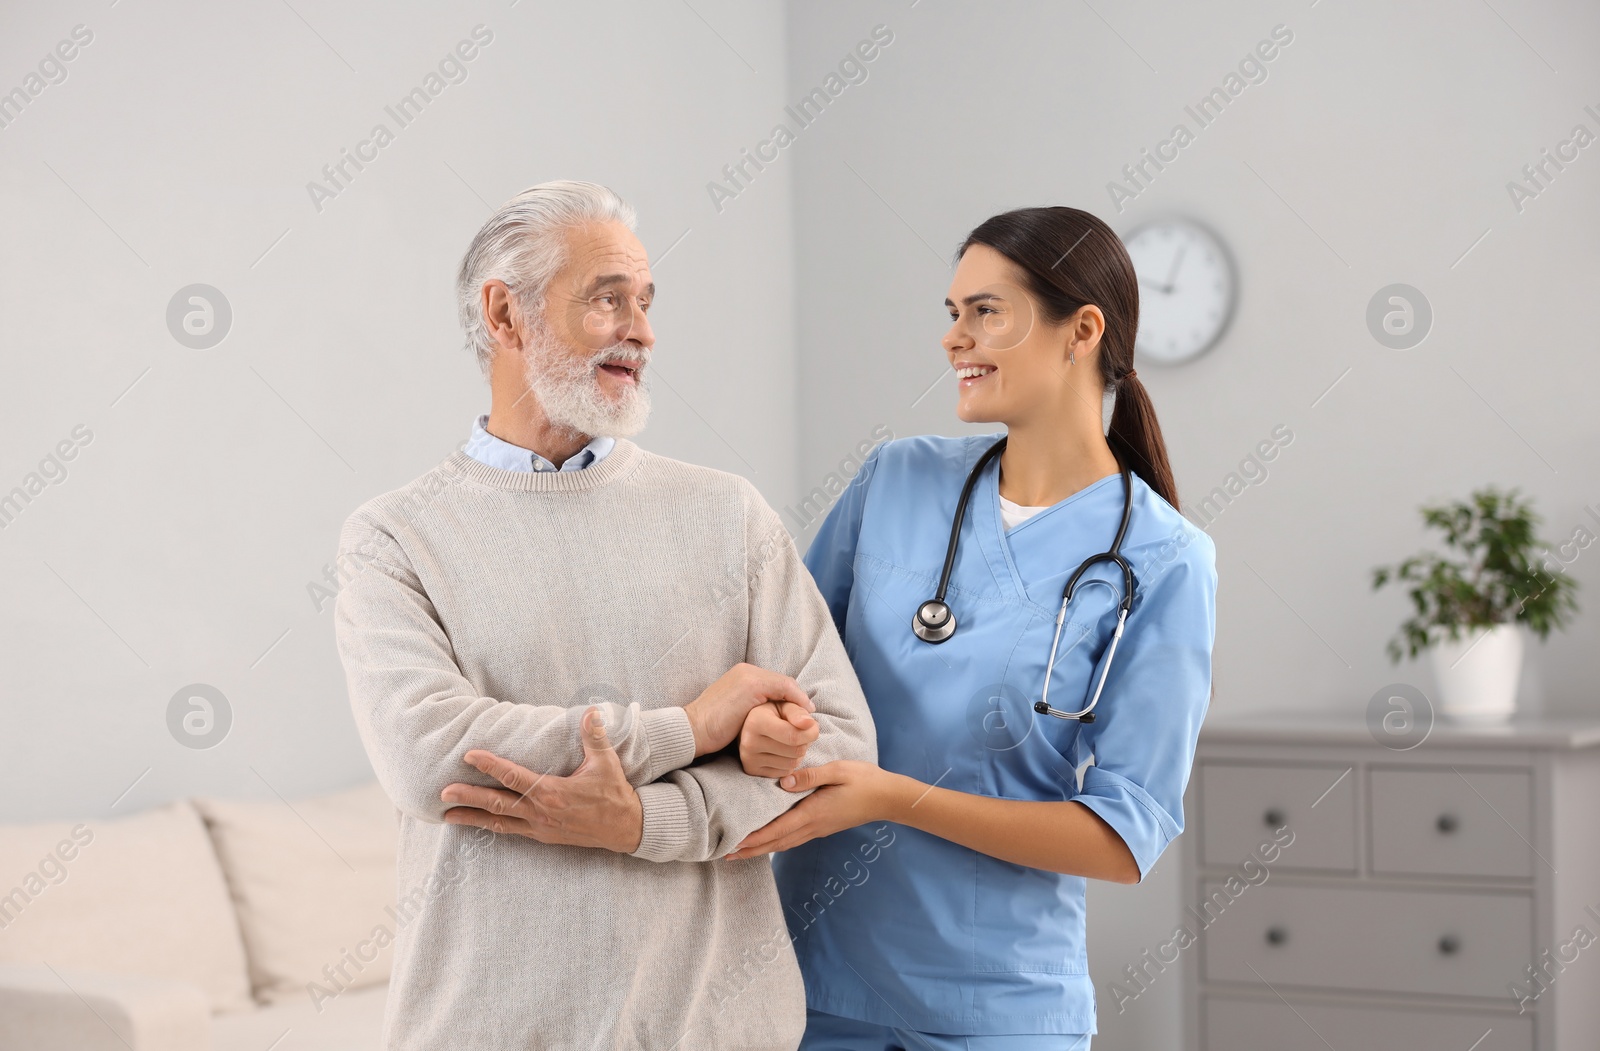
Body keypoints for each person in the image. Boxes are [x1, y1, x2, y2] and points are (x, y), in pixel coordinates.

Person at [333, 180, 876, 1051]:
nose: (643, 331)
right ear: (505, 316)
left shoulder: (727, 513)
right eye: (609, 299)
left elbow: (842, 740)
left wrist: (646, 825)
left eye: (648, 303)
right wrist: (688, 727)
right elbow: (427, 753)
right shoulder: (393, 536)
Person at [727, 206, 1218, 1049]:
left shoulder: (1164, 559)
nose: (956, 338)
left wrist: (896, 798)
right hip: (811, 984)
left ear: (1082, 331)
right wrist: (768, 723)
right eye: (952, 314)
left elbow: (1121, 837)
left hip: (999, 1011)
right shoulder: (896, 479)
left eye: (985, 311)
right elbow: (782, 662)